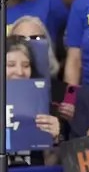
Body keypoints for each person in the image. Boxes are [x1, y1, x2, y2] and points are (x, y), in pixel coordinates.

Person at [7, 36, 61, 166]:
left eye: (26, 65)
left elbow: (51, 164)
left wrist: (54, 140)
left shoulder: (43, 106)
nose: (20, 72)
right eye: (10, 65)